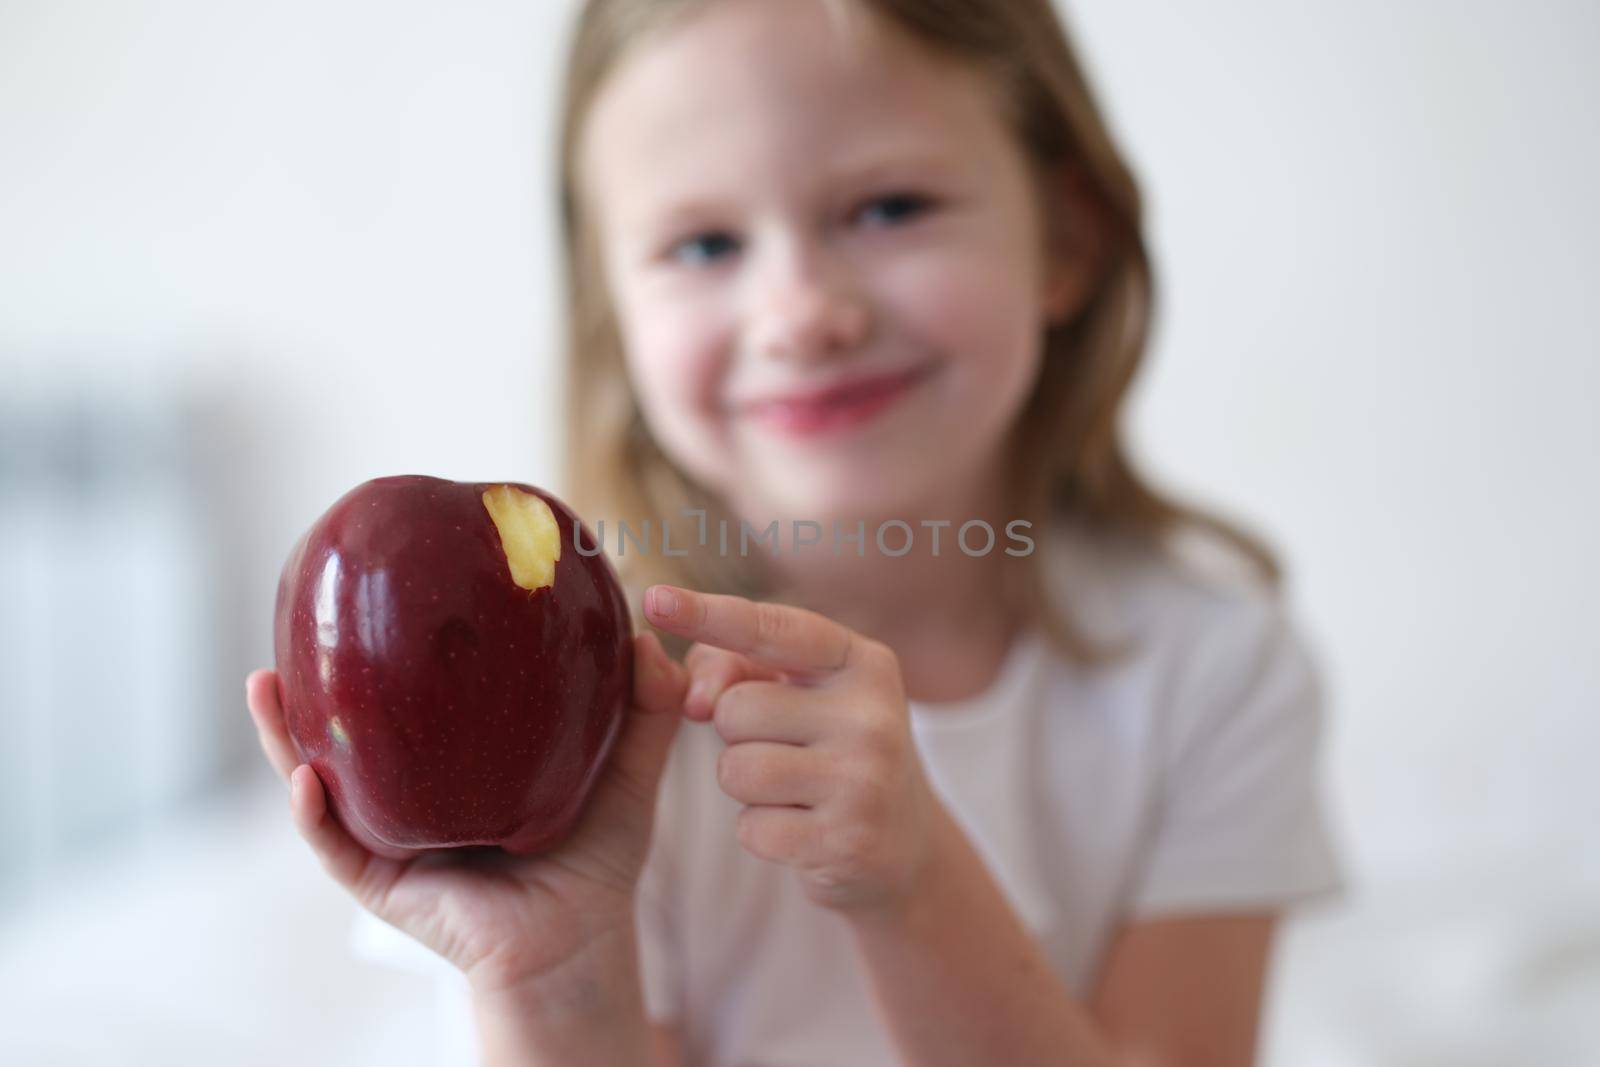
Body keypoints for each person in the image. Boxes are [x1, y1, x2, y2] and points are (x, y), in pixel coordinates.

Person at [246, 0, 1343, 1063]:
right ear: (613, 316)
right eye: (706, 243)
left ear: (1064, 238)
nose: (802, 311)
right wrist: (546, 974)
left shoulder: (1211, 667)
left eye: (889, 208)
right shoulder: (594, 712)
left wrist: (916, 886)